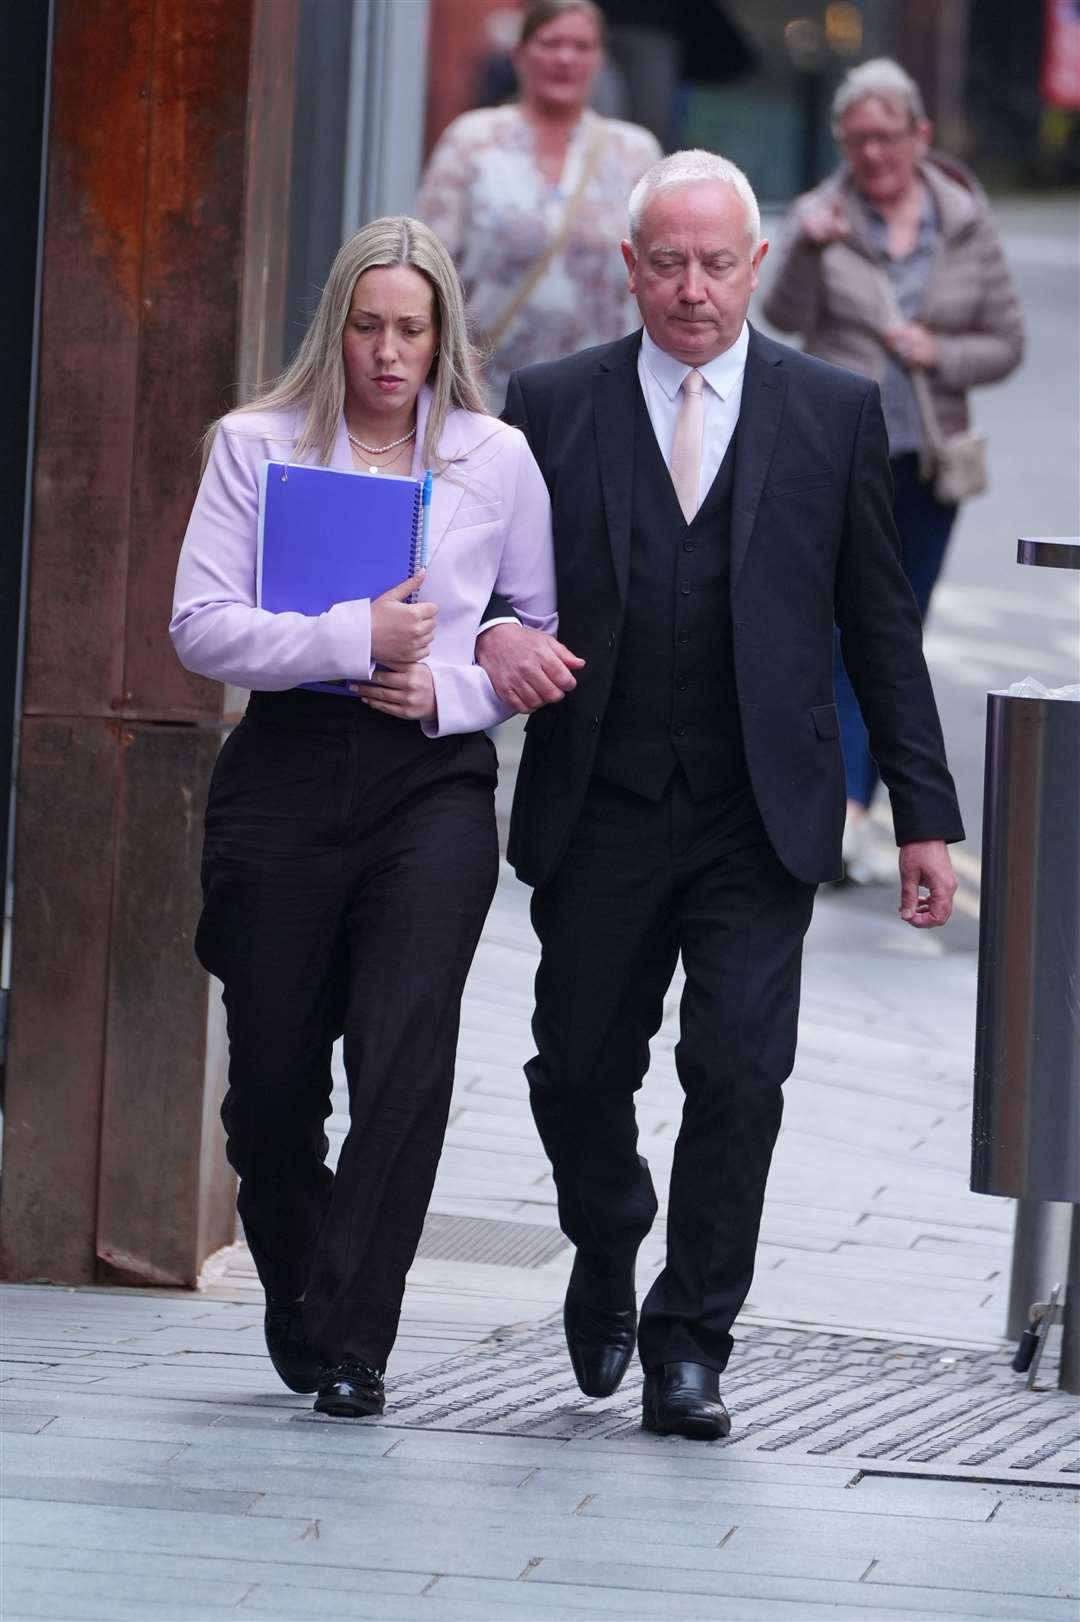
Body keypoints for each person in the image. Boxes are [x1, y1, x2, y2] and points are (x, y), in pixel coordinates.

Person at [474, 149, 964, 1442]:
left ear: (757, 265)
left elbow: (878, 623)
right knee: (577, 1065)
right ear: (628, 268)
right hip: (603, 798)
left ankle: (691, 1340)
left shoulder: (832, 409)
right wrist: (491, 638)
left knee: (739, 1075)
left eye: (715, 261)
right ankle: (609, 1226)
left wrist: (923, 812)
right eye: (667, 261)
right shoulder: (552, 403)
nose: (692, 287)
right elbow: (491, 587)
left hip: (762, 807)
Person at [170, 217, 556, 1420]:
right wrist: (350, 638)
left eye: (412, 328)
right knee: (273, 1088)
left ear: (444, 335)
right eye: (368, 326)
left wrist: (444, 683)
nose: (390, 353)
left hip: (428, 782)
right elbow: (199, 624)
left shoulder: (497, 458)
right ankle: (298, 1273)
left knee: (404, 1051)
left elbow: (530, 633)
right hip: (283, 770)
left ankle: (354, 1336)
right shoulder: (254, 444)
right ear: (333, 327)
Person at [761, 58, 1023, 882]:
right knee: (835, 630)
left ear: (921, 135)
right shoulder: (822, 215)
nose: (873, 152)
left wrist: (938, 350)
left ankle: (864, 806)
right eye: (858, 136)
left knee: (893, 635)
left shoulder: (966, 223)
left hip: (931, 464)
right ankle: (840, 808)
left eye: (888, 135)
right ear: (843, 138)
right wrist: (805, 244)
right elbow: (782, 317)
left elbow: (1006, 343)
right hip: (837, 457)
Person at [415, 0, 660, 410]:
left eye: (582, 46)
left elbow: (656, 272)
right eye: (551, 43)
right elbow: (427, 268)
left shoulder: (634, 153)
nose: (565, 58)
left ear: (600, 58)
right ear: (519, 54)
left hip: (600, 396)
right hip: (484, 392)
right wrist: (448, 362)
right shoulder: (472, 141)